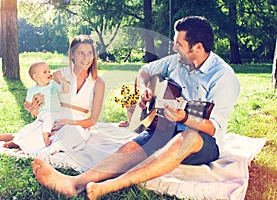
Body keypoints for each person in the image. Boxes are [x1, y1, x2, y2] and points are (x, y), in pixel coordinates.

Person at [31, 16, 240, 199]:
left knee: (186, 138)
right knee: (130, 148)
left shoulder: (223, 77)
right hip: (166, 126)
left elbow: (213, 127)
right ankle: (75, 183)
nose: (174, 47)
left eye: (179, 44)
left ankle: (110, 186)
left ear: (198, 48)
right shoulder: (176, 62)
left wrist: (184, 118)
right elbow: (145, 71)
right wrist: (145, 90)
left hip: (203, 141)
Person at [0, 35, 105, 155]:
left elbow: (93, 120)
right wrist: (32, 107)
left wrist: (70, 122)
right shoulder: (58, 75)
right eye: (81, 53)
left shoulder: (98, 83)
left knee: (74, 133)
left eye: (90, 53)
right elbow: (39, 93)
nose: (86, 58)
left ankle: (47, 147)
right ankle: (23, 139)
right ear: (72, 54)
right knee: (42, 129)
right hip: (54, 119)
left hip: (77, 124)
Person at [1, 61, 69, 151]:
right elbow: (26, 103)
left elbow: (65, 91)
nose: (49, 73)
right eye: (45, 72)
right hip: (44, 114)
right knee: (47, 119)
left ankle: (18, 141)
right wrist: (32, 109)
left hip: (57, 113)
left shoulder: (53, 84)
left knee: (62, 123)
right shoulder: (33, 90)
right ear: (36, 77)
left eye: (49, 71)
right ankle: (45, 137)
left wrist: (64, 82)